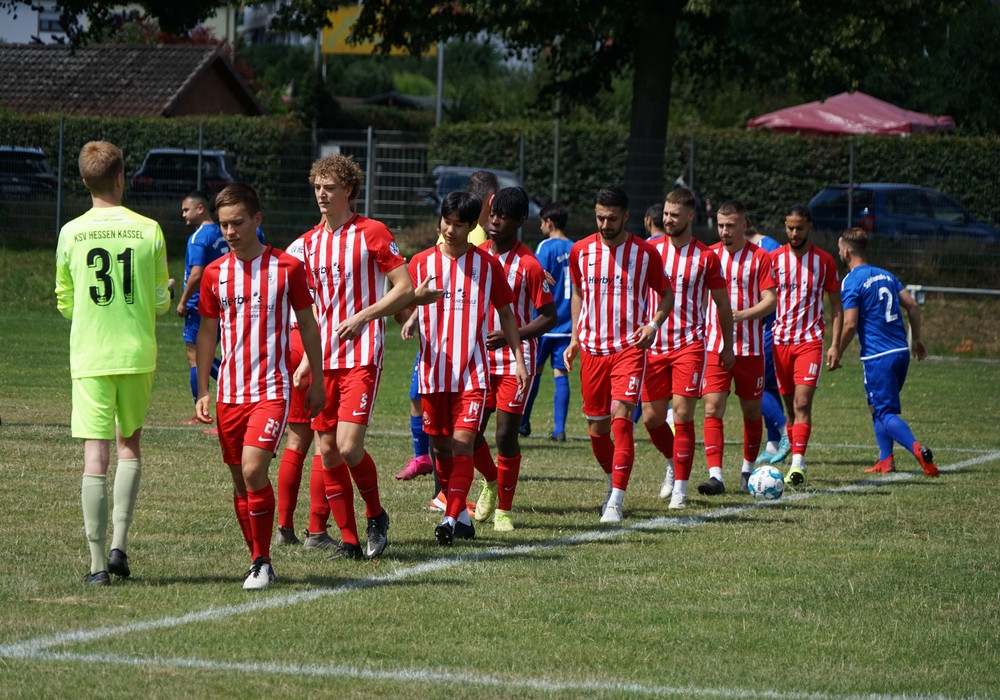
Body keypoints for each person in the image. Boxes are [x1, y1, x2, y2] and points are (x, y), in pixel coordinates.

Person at [299, 154, 432, 560]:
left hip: (361, 355)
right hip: (324, 359)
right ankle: (350, 541)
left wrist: (363, 316)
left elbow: (403, 287)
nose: (322, 194)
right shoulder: (308, 243)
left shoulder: (372, 232)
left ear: (350, 190)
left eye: (330, 187)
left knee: (347, 446)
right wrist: (306, 360)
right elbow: (313, 310)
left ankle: (376, 514)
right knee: (326, 450)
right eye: (318, 187)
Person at [195, 183, 325, 590]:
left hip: (271, 390)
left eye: (237, 223)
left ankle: (263, 562)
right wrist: (203, 389)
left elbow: (309, 325)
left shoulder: (287, 268)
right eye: (224, 225)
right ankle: (256, 557)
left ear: (257, 219)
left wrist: (318, 378)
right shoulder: (215, 274)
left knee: (254, 470)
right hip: (229, 394)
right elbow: (207, 333)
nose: (230, 232)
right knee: (240, 481)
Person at [55, 140, 173, 586]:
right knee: (129, 445)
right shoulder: (149, 230)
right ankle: (119, 546)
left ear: (85, 181)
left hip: (90, 353)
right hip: (137, 353)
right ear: (122, 177)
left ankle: (96, 565)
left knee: (95, 453)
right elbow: (161, 302)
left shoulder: (70, 232)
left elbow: (65, 301)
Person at [408, 190, 527, 544]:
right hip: (433, 373)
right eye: (446, 222)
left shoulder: (487, 266)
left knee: (463, 444)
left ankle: (449, 518)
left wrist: (519, 360)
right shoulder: (420, 264)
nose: (450, 230)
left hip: (471, 375)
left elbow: (507, 314)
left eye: (459, 225)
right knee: (441, 449)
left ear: (473, 225)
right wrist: (412, 307)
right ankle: (460, 516)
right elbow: (400, 310)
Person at [564, 186, 673, 523]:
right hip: (592, 351)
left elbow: (667, 294)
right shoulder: (580, 251)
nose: (605, 224)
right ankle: (614, 479)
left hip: (629, 347)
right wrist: (575, 338)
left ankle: (616, 501)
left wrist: (653, 325)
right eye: (600, 217)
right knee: (597, 431)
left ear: (626, 216)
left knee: (622, 419)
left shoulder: (645, 253)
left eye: (612, 218)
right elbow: (579, 294)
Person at [641, 187, 732, 510]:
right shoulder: (650, 249)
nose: (667, 220)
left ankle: (680, 488)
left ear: (690, 216)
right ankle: (672, 462)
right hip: (653, 345)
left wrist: (727, 346)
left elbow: (723, 305)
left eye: (674, 215)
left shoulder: (705, 257)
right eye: (665, 214)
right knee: (651, 418)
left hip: (689, 345)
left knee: (682, 414)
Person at [471, 188, 556, 532]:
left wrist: (512, 335)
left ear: (520, 222)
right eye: (493, 214)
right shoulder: (476, 256)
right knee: (469, 432)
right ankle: (491, 481)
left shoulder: (529, 265)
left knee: (505, 435)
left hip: (515, 363)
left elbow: (549, 317)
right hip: (478, 359)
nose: (495, 221)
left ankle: (504, 511)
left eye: (503, 217)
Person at [832, 228, 938, 477]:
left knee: (884, 412)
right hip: (900, 352)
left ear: (846, 252)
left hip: (878, 357)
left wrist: (837, 349)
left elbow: (850, 323)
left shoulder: (851, 281)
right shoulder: (886, 275)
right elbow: (912, 305)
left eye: (839, 249)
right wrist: (917, 339)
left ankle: (917, 449)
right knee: (875, 405)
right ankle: (886, 460)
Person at [698, 200, 776, 494]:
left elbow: (771, 300)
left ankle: (747, 470)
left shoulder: (760, 257)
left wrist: (743, 315)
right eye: (720, 225)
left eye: (730, 225)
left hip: (750, 349)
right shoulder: (709, 256)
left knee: (752, 412)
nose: (724, 231)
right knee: (712, 408)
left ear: (743, 225)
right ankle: (715, 476)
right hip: (715, 347)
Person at [771, 204, 843, 486]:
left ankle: (798, 465)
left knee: (802, 403)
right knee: (790, 409)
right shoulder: (773, 260)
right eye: (790, 228)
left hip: (809, 341)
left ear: (809, 227)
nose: (794, 233)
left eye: (800, 228)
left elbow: (837, 306)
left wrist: (835, 345)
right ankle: (794, 455)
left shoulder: (824, 261)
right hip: (780, 342)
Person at [271, 226, 335, 549]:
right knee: (326, 442)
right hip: (316, 341)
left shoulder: (296, 245)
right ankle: (317, 530)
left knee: (296, 441)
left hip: (290, 339)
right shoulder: (341, 244)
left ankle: (284, 527)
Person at [519, 201, 573, 442]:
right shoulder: (575, 248)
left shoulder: (545, 246)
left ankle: (523, 422)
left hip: (545, 321)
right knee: (560, 373)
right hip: (567, 324)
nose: (541, 227)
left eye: (541, 223)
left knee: (533, 372)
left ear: (549, 223)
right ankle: (559, 429)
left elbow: (536, 277)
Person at [176, 190, 226, 427]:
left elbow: (196, 273)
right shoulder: (221, 232)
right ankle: (232, 376)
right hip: (220, 299)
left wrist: (183, 301)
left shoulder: (199, 237)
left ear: (200, 209)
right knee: (212, 350)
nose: (183, 214)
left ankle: (201, 410)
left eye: (186, 210)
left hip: (199, 304)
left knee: (195, 356)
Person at [746, 222, 790, 464]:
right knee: (769, 387)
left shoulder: (767, 248)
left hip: (768, 328)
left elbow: (773, 293)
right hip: (761, 327)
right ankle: (774, 445)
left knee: (753, 386)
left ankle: (786, 432)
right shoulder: (764, 246)